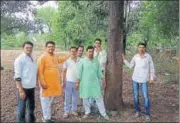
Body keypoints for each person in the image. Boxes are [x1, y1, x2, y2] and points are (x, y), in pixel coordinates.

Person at [122, 42, 155, 122]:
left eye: (143, 47)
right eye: (140, 47)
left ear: (145, 48)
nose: (141, 48)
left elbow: (152, 68)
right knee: (136, 96)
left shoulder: (148, 57)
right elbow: (130, 66)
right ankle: (138, 111)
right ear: (138, 48)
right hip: (135, 79)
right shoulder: (135, 56)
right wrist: (124, 59)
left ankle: (147, 114)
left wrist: (151, 78)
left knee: (145, 97)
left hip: (144, 80)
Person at [38, 41, 69, 122]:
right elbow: (40, 71)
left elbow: (60, 60)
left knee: (49, 102)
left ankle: (48, 117)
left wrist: (69, 55)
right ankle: (46, 119)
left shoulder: (54, 56)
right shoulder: (43, 57)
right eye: (49, 46)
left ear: (54, 47)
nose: (51, 48)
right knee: (45, 102)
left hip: (53, 84)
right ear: (46, 48)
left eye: (52, 46)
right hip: (46, 84)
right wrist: (42, 82)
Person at [76, 46, 109, 120]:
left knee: (99, 98)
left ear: (94, 52)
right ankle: (87, 112)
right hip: (85, 84)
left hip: (95, 83)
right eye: (89, 51)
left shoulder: (96, 61)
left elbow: (99, 73)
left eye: (92, 51)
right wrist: (77, 83)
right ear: (86, 52)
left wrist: (103, 80)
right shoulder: (82, 61)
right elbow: (79, 73)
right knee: (85, 98)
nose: (91, 53)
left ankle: (103, 114)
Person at [14, 41, 37, 122]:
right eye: (27, 48)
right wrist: (21, 91)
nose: (29, 49)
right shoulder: (19, 59)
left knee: (31, 107)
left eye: (30, 48)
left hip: (31, 87)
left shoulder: (32, 58)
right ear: (23, 48)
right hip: (23, 88)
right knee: (22, 109)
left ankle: (31, 121)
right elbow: (17, 77)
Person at [62, 46, 80, 118]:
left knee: (75, 97)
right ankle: (66, 111)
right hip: (68, 82)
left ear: (76, 52)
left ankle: (74, 110)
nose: (73, 52)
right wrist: (63, 82)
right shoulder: (67, 61)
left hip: (77, 82)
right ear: (70, 52)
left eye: (74, 51)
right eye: (72, 51)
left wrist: (78, 82)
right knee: (67, 97)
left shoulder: (80, 60)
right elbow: (63, 72)